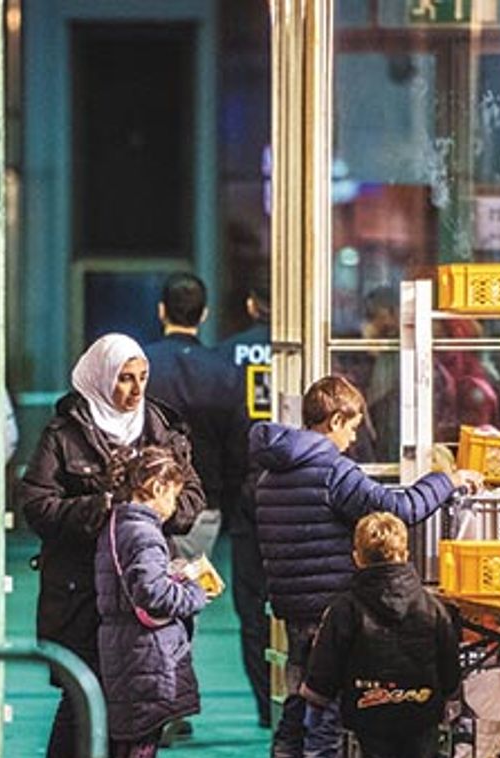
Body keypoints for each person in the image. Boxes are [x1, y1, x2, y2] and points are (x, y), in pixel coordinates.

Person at [249, 375, 481, 758]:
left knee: (303, 697)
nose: (353, 439)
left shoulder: (271, 475)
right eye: (352, 428)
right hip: (332, 612)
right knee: (327, 712)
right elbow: (400, 510)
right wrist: (448, 480)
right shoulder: (332, 472)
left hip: (294, 609)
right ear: (335, 421)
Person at [15, 333, 205, 758]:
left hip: (140, 592)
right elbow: (36, 506)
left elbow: (191, 498)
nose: (136, 390)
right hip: (81, 595)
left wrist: (149, 510)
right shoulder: (64, 435)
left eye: (143, 377)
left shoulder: (162, 428)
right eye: (124, 379)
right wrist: (104, 508)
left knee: (138, 706)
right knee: (83, 697)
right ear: (101, 379)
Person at [301, 512, 460, 758]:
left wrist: (316, 700)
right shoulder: (432, 607)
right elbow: (448, 657)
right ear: (406, 555)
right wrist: (452, 695)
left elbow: (326, 663)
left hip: (368, 710)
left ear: (357, 558)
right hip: (421, 710)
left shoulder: (345, 609)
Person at [95, 446, 212, 758]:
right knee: (142, 741)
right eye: (173, 495)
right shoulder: (144, 533)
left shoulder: (115, 525)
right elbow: (153, 594)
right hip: (146, 652)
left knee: (127, 739)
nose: (175, 507)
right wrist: (196, 593)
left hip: (124, 647)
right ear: (158, 487)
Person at [142, 272, 241, 570]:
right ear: (204, 314)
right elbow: (235, 443)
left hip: (144, 497)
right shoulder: (224, 371)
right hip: (203, 503)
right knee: (188, 593)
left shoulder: (141, 365)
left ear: (161, 311)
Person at [215, 280, 275, 726]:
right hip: (302, 505)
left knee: (252, 609)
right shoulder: (308, 348)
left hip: (244, 504)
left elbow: (218, 433)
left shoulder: (227, 355)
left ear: (252, 304)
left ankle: (264, 705)